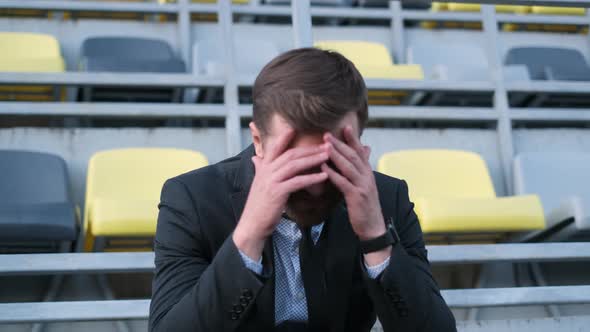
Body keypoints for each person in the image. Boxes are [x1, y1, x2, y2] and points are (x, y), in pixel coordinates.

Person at [149, 47, 456, 332]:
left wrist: (376, 238)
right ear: (258, 141)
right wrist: (249, 236)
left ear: (359, 144)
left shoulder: (387, 200)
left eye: (333, 159)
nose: (314, 186)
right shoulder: (193, 199)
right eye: (296, 161)